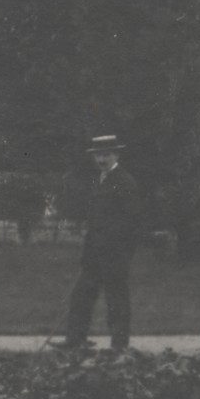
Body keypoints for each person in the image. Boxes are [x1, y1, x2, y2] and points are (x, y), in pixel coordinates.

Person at [59, 133, 143, 352]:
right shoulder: (100, 179)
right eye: (98, 155)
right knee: (82, 295)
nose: (101, 160)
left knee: (116, 299)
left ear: (116, 154)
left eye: (106, 155)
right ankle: (75, 340)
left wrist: (113, 246)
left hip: (115, 253)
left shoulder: (124, 182)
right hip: (95, 252)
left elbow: (129, 221)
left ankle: (119, 345)